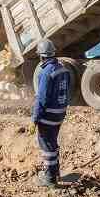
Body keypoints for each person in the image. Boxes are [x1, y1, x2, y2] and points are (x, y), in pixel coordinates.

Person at [31, 39, 71, 187]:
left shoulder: (46, 72)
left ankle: (49, 179)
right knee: (52, 143)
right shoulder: (63, 69)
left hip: (48, 116)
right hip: (60, 113)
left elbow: (41, 98)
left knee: (46, 146)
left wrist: (35, 119)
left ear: (41, 56)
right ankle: (55, 172)